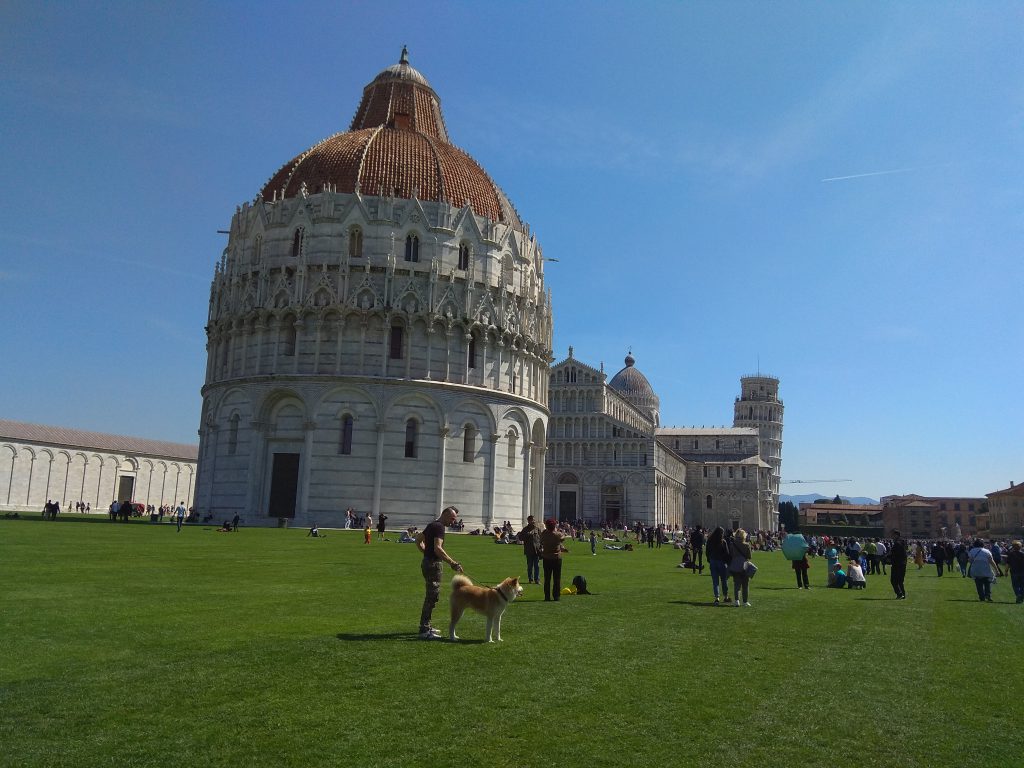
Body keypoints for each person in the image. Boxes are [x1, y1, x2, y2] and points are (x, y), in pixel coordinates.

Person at [415, 506, 463, 639]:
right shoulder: (439, 527)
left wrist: (426, 553)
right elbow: (438, 548)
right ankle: (424, 629)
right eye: (452, 519)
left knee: (432, 596)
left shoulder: (432, 525)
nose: (453, 522)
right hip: (433, 564)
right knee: (432, 596)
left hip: (427, 562)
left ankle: (427, 626)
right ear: (445, 515)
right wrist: (453, 563)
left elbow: (418, 540)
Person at [540, 518, 566, 601]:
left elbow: (541, 540)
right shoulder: (558, 534)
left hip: (546, 558)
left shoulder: (544, 534)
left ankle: (547, 596)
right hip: (556, 558)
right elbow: (563, 538)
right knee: (557, 578)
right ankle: (556, 596)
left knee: (547, 578)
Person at [727, 529, 753, 607]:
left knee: (737, 585)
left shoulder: (732, 545)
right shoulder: (747, 545)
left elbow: (731, 555)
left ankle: (737, 601)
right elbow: (749, 556)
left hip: (735, 565)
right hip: (744, 566)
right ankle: (745, 602)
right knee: (745, 585)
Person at [706, 527, 731, 604]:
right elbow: (727, 553)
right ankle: (726, 596)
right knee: (724, 580)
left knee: (715, 581)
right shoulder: (723, 542)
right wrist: (727, 562)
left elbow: (707, 552)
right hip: (721, 562)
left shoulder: (710, 541)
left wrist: (709, 560)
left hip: (713, 561)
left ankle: (717, 597)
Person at [517, 515, 542, 584]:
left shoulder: (537, 529)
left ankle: (537, 580)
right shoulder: (525, 529)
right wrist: (527, 534)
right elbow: (520, 538)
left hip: (536, 550)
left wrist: (541, 547)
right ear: (528, 521)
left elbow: (541, 539)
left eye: (534, 520)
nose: (533, 521)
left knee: (537, 566)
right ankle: (530, 579)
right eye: (532, 520)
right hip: (529, 550)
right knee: (530, 566)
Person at [889, 531, 908, 599]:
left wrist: (888, 558)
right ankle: (902, 594)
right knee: (899, 581)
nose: (892, 536)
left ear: (896, 535)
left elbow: (894, 554)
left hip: (897, 564)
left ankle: (900, 593)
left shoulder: (897, 543)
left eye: (893, 535)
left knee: (894, 580)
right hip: (902, 563)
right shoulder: (902, 542)